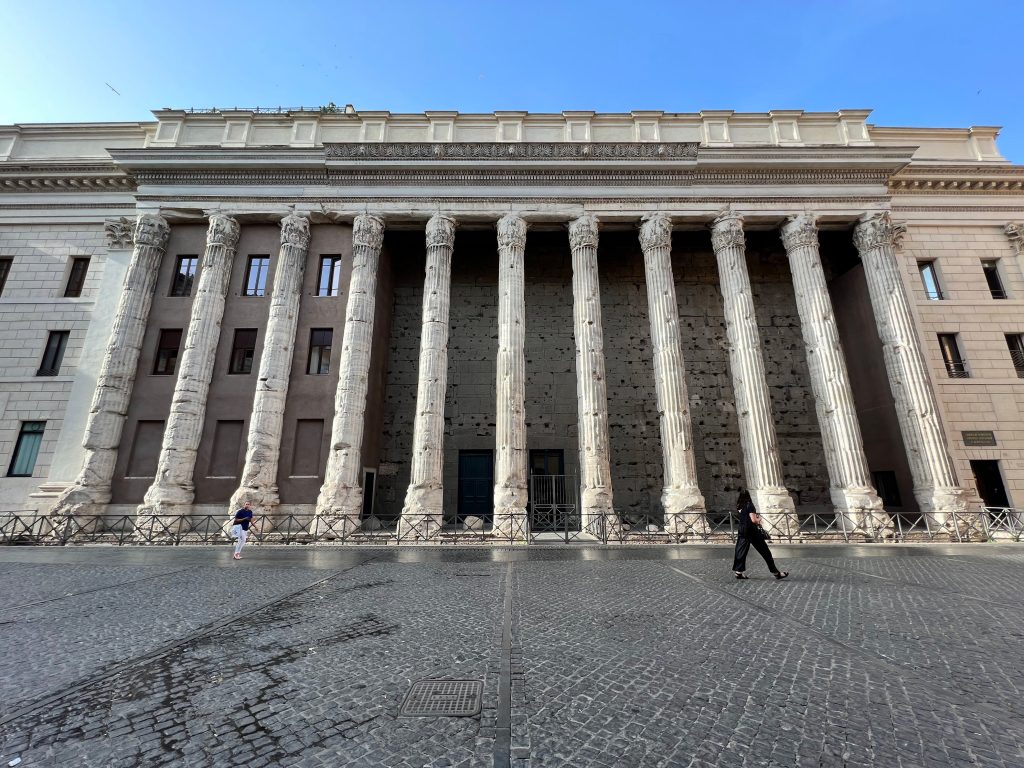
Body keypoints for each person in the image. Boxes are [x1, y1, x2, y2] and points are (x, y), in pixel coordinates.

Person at [732, 490, 788, 580]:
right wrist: (759, 519)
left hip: (742, 530)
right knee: (765, 552)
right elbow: (753, 520)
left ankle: (739, 572)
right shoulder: (749, 505)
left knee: (740, 551)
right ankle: (776, 573)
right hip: (752, 531)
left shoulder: (739, 506)